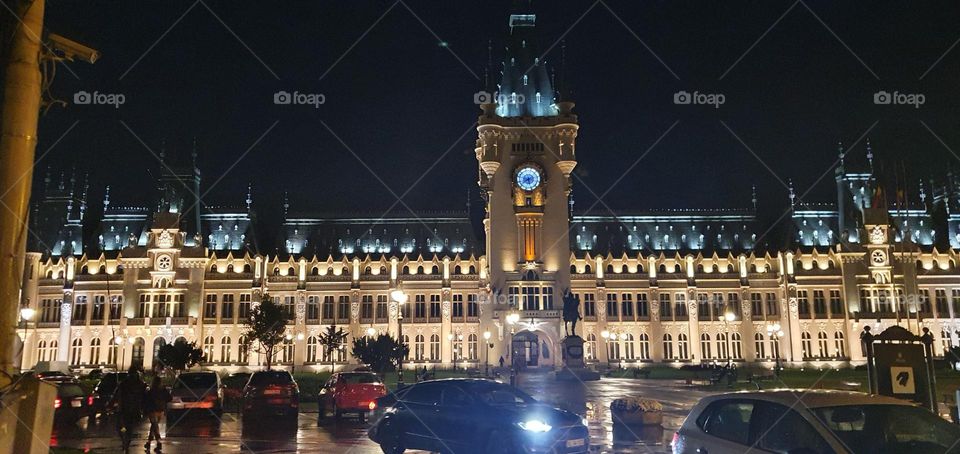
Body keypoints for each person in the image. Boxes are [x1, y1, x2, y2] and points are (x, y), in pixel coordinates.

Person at [111, 368, 146, 452]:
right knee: (127, 427)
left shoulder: (124, 384)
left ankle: (125, 441)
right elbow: (144, 397)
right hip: (131, 409)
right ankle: (126, 441)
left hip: (125, 409)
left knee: (122, 426)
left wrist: (111, 403)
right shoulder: (139, 384)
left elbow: (116, 394)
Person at [143, 375, 172, 452]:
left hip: (152, 410)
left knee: (154, 426)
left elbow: (146, 400)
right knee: (154, 426)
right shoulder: (163, 390)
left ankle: (158, 442)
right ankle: (149, 442)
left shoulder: (151, 390)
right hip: (161, 410)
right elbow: (169, 398)